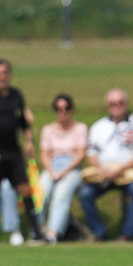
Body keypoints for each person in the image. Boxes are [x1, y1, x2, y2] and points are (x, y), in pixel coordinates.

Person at [0, 59, 44, 245]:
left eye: (4, 73)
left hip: (13, 151)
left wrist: (29, 141)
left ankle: (36, 232)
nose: (1, 77)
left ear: (9, 75)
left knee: (25, 189)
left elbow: (24, 122)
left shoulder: (16, 95)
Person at [79, 88, 133, 241]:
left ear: (126, 103)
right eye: (113, 103)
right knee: (85, 193)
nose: (117, 106)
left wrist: (120, 170)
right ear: (107, 105)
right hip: (104, 174)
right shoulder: (98, 126)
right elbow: (91, 155)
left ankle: (128, 234)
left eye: (121, 103)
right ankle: (100, 232)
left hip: (130, 173)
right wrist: (102, 170)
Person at [38, 93, 87, 244]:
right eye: (59, 109)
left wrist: (65, 170)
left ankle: (53, 233)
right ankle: (38, 230)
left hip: (72, 168)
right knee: (40, 194)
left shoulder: (80, 128)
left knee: (61, 195)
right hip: (52, 166)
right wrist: (51, 170)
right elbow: (44, 154)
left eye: (66, 108)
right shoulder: (48, 129)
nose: (62, 112)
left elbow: (80, 153)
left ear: (71, 110)